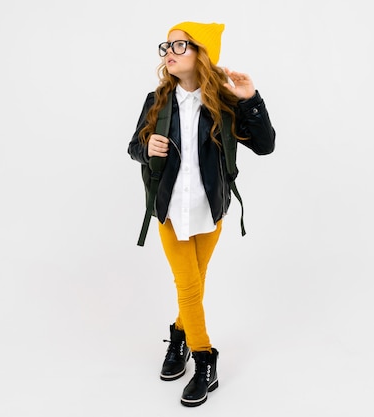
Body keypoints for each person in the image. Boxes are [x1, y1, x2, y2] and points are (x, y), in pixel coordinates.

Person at [127, 21, 275, 407]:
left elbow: (265, 146)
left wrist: (250, 98)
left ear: (201, 54)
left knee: (196, 281)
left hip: (210, 211)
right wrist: (148, 148)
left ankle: (179, 337)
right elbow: (133, 146)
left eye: (180, 45)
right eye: (167, 46)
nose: (169, 52)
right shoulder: (155, 100)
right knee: (189, 287)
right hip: (169, 212)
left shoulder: (224, 103)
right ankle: (205, 357)